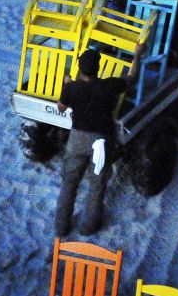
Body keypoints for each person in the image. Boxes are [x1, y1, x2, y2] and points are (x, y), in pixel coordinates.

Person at [54, 48, 138, 236]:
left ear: (80, 68)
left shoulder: (71, 88)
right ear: (98, 68)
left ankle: (61, 228)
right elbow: (132, 77)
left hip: (77, 138)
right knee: (97, 184)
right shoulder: (109, 85)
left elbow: (60, 108)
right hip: (101, 140)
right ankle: (88, 227)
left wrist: (67, 84)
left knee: (69, 183)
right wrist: (138, 55)